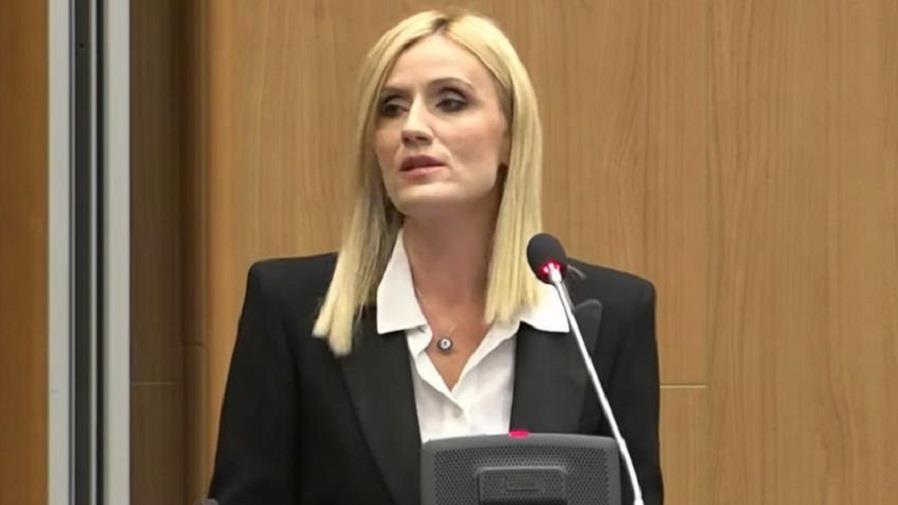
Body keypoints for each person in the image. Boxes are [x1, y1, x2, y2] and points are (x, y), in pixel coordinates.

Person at [209, 9, 663, 505]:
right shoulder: (291, 309)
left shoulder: (609, 317)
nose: (412, 127)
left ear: (510, 137)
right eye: (391, 108)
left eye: (450, 102)